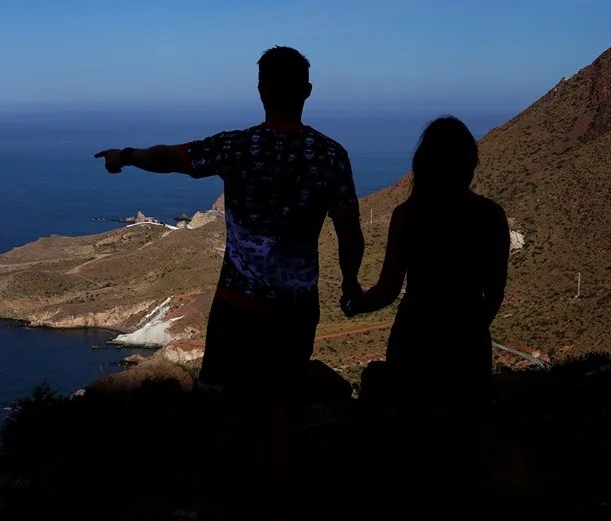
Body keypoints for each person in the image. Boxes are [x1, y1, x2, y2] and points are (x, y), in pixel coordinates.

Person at [96, 46, 365, 520]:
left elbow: (171, 158)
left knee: (237, 410)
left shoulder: (240, 146)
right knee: (283, 408)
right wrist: (349, 285)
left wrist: (126, 156)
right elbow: (350, 232)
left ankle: (233, 505)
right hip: (296, 310)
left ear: (260, 90)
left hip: (237, 307)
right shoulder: (330, 156)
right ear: (306, 91)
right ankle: (282, 504)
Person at [342, 116, 510, 509]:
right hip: (468, 338)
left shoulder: (409, 215)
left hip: (414, 336)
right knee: (464, 441)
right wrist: (472, 327)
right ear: (469, 164)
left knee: (414, 439)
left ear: (424, 163)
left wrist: (355, 302)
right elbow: (496, 291)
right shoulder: (490, 216)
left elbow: (387, 289)